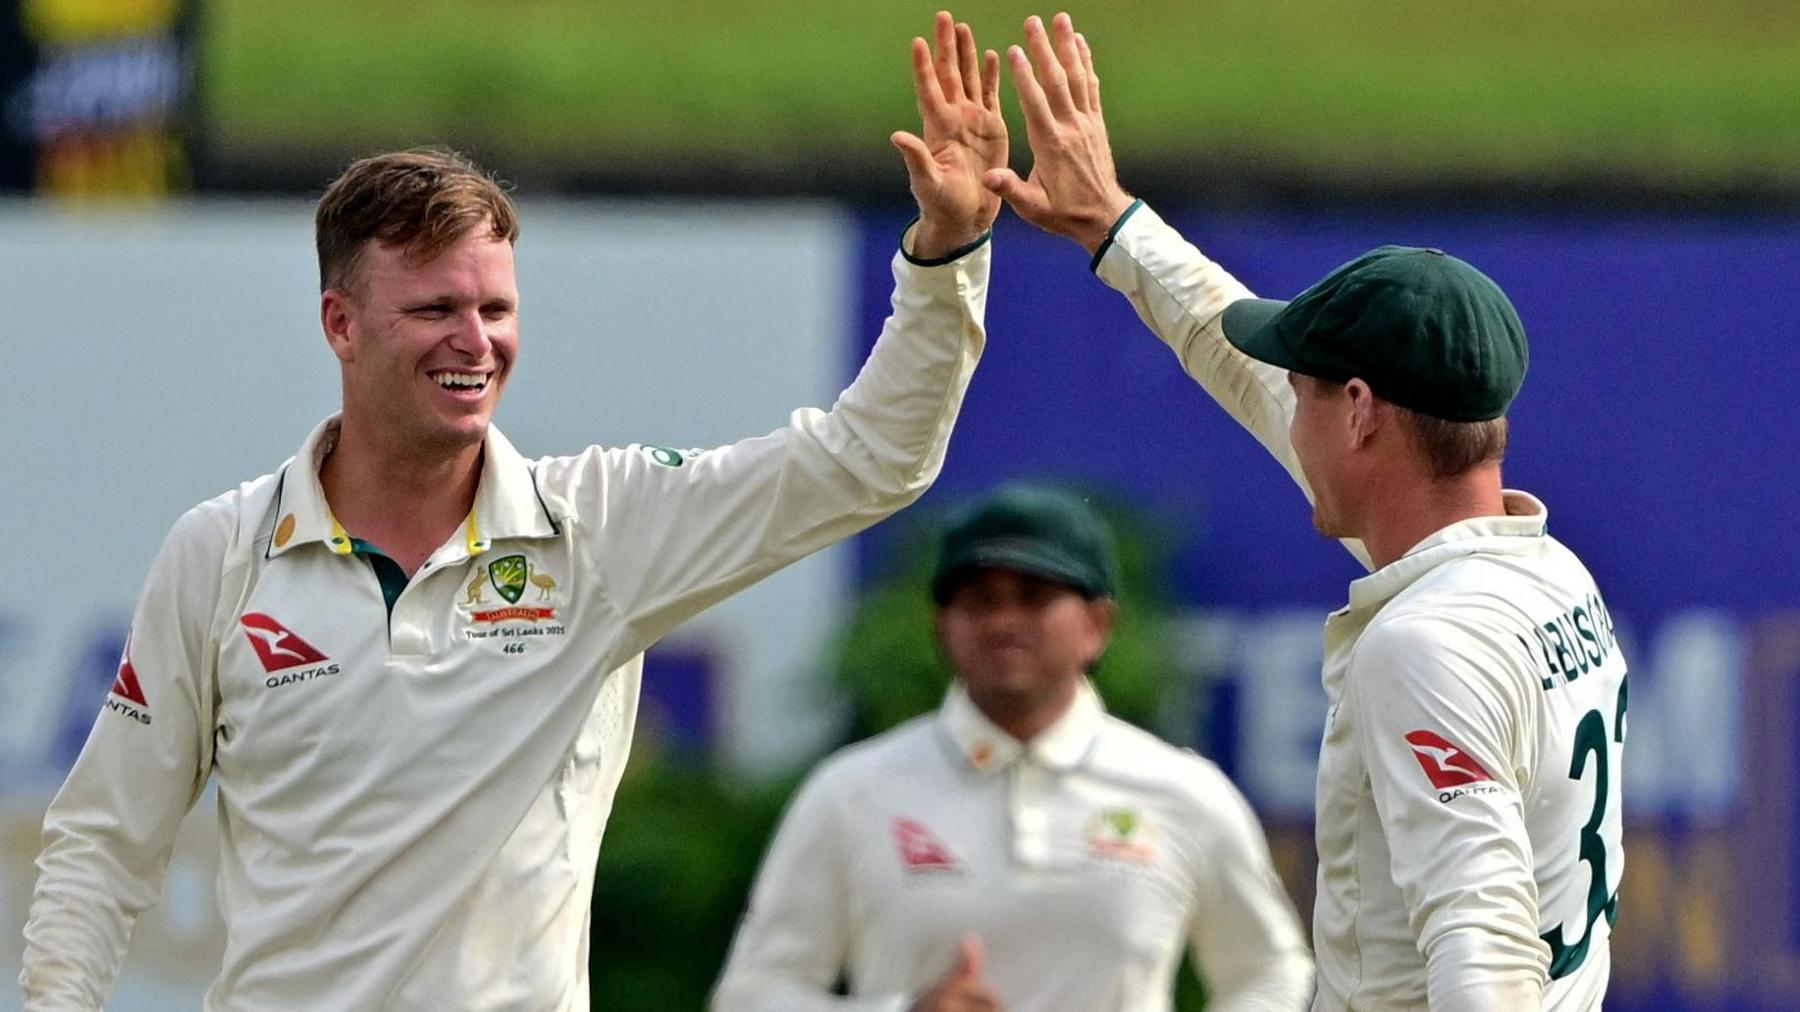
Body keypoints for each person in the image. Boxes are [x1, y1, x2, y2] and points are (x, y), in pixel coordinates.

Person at [20, 12, 1008, 1010]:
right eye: (435, 310)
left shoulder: (603, 524)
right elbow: (104, 844)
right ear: (340, 324)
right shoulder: (221, 551)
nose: (475, 342)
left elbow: (870, 461)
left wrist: (948, 255)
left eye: (495, 308)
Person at [980, 13, 1628, 1011]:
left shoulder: (1425, 642)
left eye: (1313, 387)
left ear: (1362, 410)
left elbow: (1482, 943)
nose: (1293, 405)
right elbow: (1258, 384)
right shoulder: (1547, 574)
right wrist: (1115, 228)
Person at [711, 485, 1314, 1012]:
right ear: (940, 625)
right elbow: (751, 994)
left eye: (1034, 595)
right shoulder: (849, 792)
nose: (1003, 621)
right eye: (978, 599)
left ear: (1097, 625)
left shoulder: (1184, 791)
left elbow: (1270, 969)